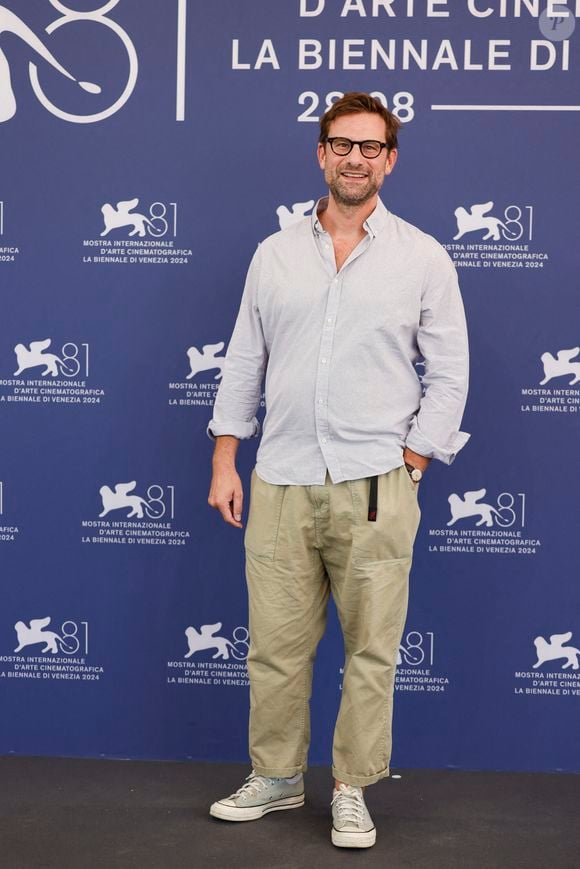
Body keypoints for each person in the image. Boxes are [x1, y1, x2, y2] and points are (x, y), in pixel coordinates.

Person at [206, 92, 469, 849]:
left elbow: (450, 374)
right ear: (321, 154)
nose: (355, 158)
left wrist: (413, 461)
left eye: (371, 146)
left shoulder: (422, 256)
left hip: (376, 486)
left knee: (371, 649)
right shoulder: (275, 254)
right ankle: (279, 778)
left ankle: (352, 786)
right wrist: (227, 456)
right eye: (341, 144)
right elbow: (244, 360)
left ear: (390, 158)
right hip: (279, 478)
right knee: (275, 647)